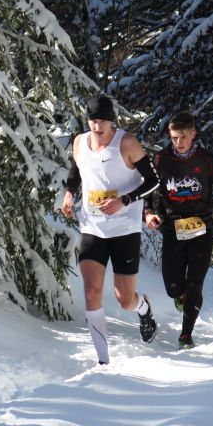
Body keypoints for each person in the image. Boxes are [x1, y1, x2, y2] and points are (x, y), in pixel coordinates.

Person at [61, 94, 160, 365]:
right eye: (93, 121)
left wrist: (124, 201)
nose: (97, 127)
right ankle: (103, 362)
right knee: (91, 293)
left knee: (124, 300)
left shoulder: (126, 143)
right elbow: (77, 169)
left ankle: (143, 307)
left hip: (125, 228)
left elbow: (153, 181)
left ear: (112, 122)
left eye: (103, 122)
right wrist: (69, 193)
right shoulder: (80, 142)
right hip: (93, 226)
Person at [144, 111, 213, 349]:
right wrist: (148, 212)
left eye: (183, 137)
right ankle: (180, 294)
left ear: (193, 134)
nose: (178, 142)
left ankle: (186, 334)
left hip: (202, 227)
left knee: (195, 282)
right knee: (172, 287)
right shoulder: (162, 159)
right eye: (174, 137)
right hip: (172, 227)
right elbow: (148, 188)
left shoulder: (206, 159)